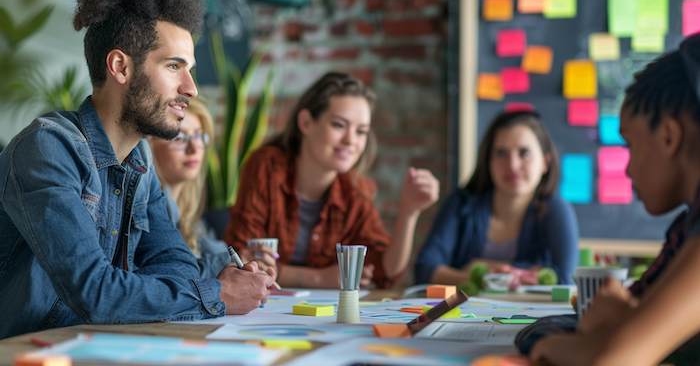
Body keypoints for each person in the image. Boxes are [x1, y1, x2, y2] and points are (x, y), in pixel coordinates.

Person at [0, 0, 273, 340]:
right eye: (174, 66)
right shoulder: (47, 150)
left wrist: (130, 291)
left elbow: (178, 265)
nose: (191, 88)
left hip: (94, 349)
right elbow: (96, 293)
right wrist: (217, 293)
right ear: (120, 67)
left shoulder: (140, 163)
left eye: (189, 69)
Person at [530, 34, 700, 366]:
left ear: (669, 136)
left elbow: (611, 360)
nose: (627, 168)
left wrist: (547, 347)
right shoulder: (688, 226)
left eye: (629, 146)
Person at [223, 72, 440, 289]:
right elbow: (244, 262)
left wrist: (409, 212)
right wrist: (318, 279)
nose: (351, 140)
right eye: (339, 125)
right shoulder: (266, 167)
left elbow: (383, 273)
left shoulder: (356, 189)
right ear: (306, 122)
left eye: (361, 131)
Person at [414, 111, 579, 286]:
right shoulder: (461, 203)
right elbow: (425, 269)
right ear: (488, 161)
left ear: (545, 162)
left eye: (524, 153)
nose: (513, 165)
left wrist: (481, 268)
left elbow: (565, 278)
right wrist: (524, 273)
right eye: (501, 153)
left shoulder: (556, 209)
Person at [150, 98, 239, 279]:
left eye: (199, 136)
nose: (194, 148)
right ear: (148, 145)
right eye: (179, 137)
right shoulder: (146, 210)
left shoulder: (191, 217)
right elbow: (178, 277)